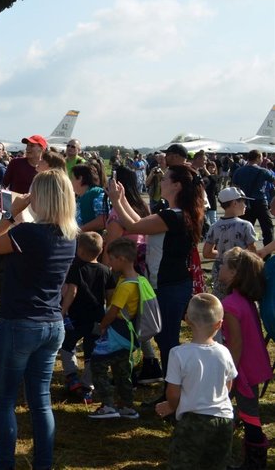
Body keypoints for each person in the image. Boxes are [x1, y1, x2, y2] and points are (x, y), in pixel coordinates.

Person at [0, 169, 78, 470]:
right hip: (52, 323)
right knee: (40, 400)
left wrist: (12, 214)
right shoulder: (69, 236)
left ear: (43, 197)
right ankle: (43, 464)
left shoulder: (28, 233)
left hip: (20, 322)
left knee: (4, 400)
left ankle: (5, 463)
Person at [109, 164, 204, 381]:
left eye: (165, 179)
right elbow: (139, 222)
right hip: (172, 284)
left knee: (168, 341)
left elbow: (134, 226)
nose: (160, 182)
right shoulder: (179, 213)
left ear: (177, 186)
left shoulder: (173, 216)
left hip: (169, 285)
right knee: (165, 339)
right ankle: (171, 389)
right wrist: (122, 199)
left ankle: (173, 392)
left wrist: (115, 200)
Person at [154, 294, 236, 470]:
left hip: (193, 421)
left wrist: (171, 406)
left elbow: (173, 392)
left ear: (187, 320)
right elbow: (228, 386)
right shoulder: (224, 352)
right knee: (217, 464)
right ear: (219, 324)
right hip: (224, 421)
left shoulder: (178, 354)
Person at [216, 248, 272, 469]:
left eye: (223, 265)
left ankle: (255, 462)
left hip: (243, 369)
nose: (219, 267)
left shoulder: (230, 304)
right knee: (248, 411)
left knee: (251, 416)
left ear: (234, 273)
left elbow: (236, 344)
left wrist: (230, 374)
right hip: (253, 364)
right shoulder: (243, 299)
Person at [88, 238, 142, 420]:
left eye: (111, 259)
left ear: (121, 259)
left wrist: (102, 326)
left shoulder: (125, 286)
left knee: (97, 363)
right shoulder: (140, 280)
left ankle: (108, 405)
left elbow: (113, 311)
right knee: (122, 370)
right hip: (131, 334)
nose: (108, 263)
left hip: (117, 331)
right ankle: (127, 406)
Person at [59, 232, 114, 400]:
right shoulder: (106, 271)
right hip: (97, 317)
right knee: (92, 351)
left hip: (75, 317)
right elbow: (110, 295)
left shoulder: (76, 267)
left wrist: (63, 310)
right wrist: (109, 314)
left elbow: (72, 291)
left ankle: (72, 376)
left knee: (67, 346)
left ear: (80, 251)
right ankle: (87, 385)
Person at [203, 187, 258, 298]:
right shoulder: (245, 225)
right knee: (241, 299)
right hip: (240, 269)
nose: (246, 205)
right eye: (243, 201)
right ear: (234, 203)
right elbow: (253, 251)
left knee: (222, 300)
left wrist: (224, 255)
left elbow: (206, 253)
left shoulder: (214, 227)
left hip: (220, 269)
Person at [232, 150, 275, 246]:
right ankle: (266, 254)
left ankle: (243, 251)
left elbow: (234, 187)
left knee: (243, 229)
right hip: (260, 202)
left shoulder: (239, 171)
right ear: (258, 158)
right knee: (267, 229)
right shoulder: (263, 171)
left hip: (244, 202)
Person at [71, 163, 108, 233]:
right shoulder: (81, 197)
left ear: (80, 179)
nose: (70, 182)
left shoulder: (97, 194)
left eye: (72, 178)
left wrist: (79, 230)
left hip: (92, 240)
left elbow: (103, 219)